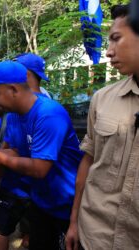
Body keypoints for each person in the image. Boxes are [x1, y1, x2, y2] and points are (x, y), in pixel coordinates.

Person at [0, 60, 83, 250]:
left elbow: (40, 168)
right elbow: (17, 150)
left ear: (13, 89)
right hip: (40, 200)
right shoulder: (13, 114)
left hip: (64, 205)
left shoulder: (48, 114)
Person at [65, 4, 139, 250]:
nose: (108, 52)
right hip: (94, 235)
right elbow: (88, 160)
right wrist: (74, 221)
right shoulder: (103, 99)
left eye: (116, 39)